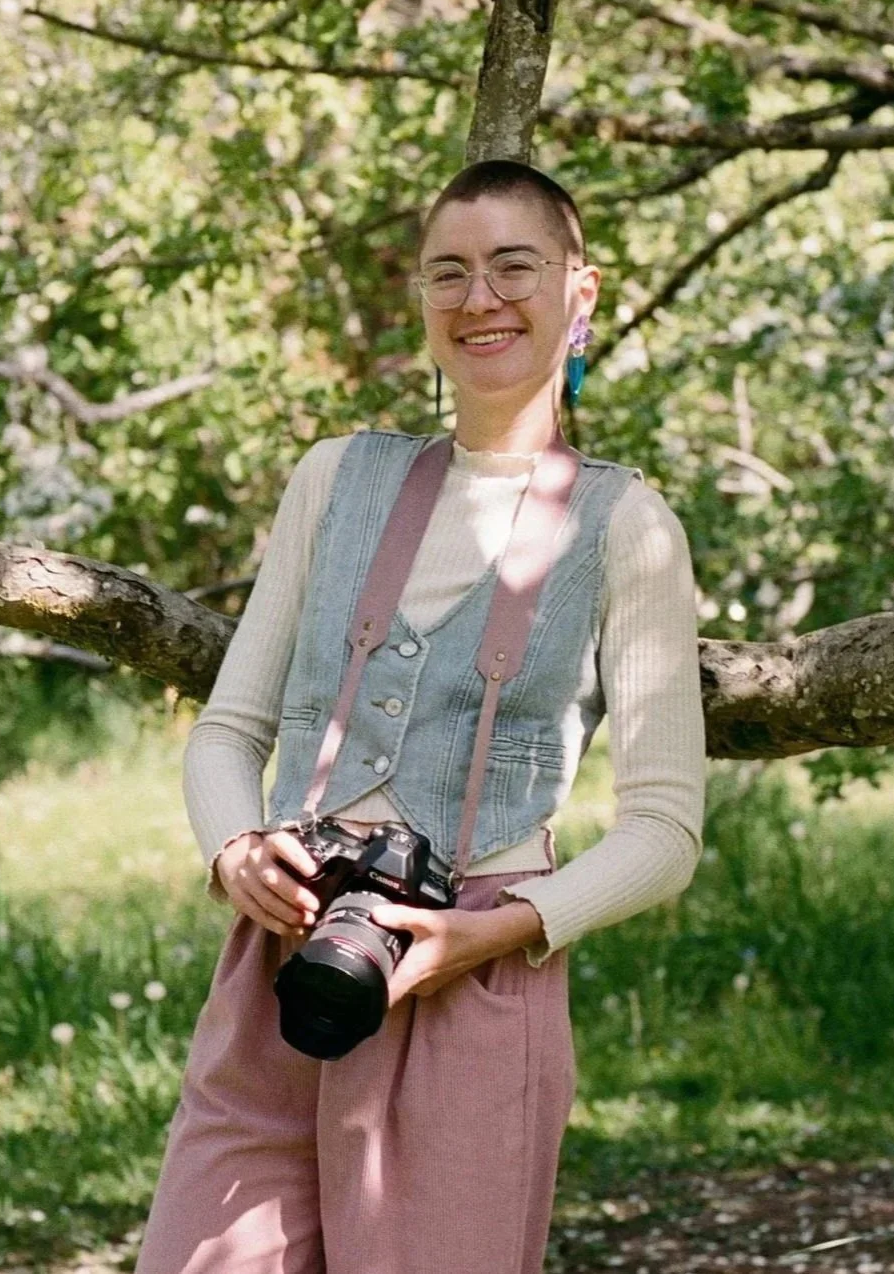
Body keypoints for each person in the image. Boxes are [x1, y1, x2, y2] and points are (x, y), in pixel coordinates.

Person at [136, 158, 706, 1274]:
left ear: (580, 292)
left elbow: (664, 831)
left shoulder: (628, 528)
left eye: (513, 267)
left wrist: (495, 930)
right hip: (286, 962)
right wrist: (233, 849)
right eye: (448, 271)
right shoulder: (335, 478)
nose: (478, 298)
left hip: (478, 985)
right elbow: (228, 729)